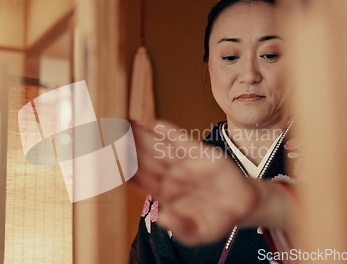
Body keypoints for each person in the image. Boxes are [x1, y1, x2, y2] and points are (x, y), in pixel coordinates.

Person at [128, 0, 301, 263]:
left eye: (270, 54)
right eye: (230, 57)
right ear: (209, 65)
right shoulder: (177, 182)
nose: (249, 75)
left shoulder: (343, 167)